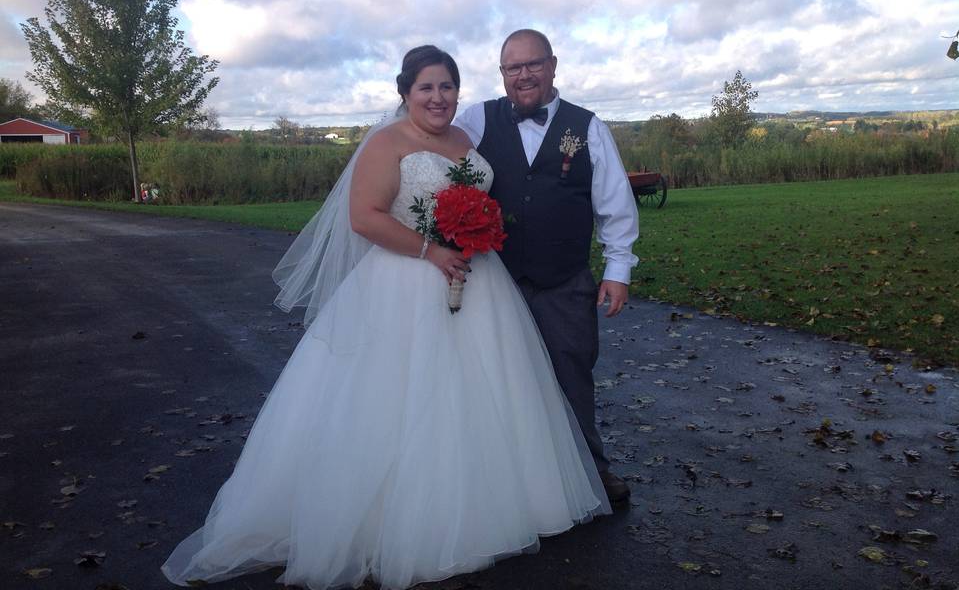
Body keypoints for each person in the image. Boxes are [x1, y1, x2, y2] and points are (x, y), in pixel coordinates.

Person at [161, 45, 610, 590]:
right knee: (402, 397)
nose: (438, 97)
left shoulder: (467, 140)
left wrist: (474, 234)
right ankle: (401, 522)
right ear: (405, 93)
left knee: (483, 392)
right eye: (426, 87)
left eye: (447, 86)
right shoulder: (386, 143)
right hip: (405, 281)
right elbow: (364, 218)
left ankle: (490, 501)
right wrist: (432, 250)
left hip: (478, 281)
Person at [455, 29, 640, 503]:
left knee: (572, 376)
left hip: (564, 280)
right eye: (513, 68)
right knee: (496, 379)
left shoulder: (588, 127)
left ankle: (590, 475)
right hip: (496, 281)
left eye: (533, 64)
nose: (524, 75)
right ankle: (505, 482)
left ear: (553, 65)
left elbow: (615, 205)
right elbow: (436, 162)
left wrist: (618, 270)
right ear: (502, 73)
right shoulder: (477, 119)